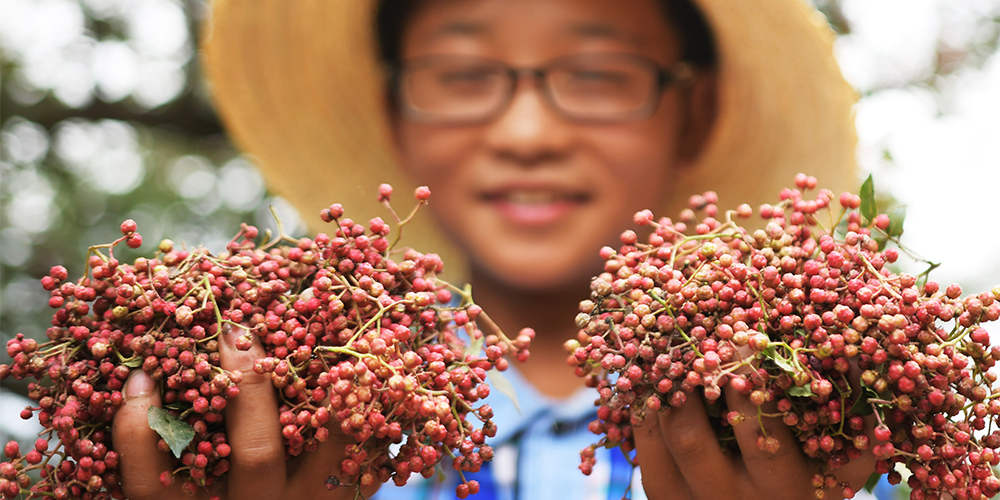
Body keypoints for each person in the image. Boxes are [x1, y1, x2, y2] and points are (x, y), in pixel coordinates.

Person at [111, 0, 879, 499]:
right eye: (461, 75)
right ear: (394, 113)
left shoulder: (828, 442)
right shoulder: (303, 427)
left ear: (697, 108)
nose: (526, 135)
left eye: (598, 74)